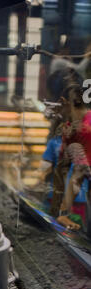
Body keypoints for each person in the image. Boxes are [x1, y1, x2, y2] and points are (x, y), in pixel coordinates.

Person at [51, 82, 91, 230]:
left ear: (63, 101)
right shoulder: (70, 129)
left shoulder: (82, 130)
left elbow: (77, 174)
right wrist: (63, 213)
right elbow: (75, 173)